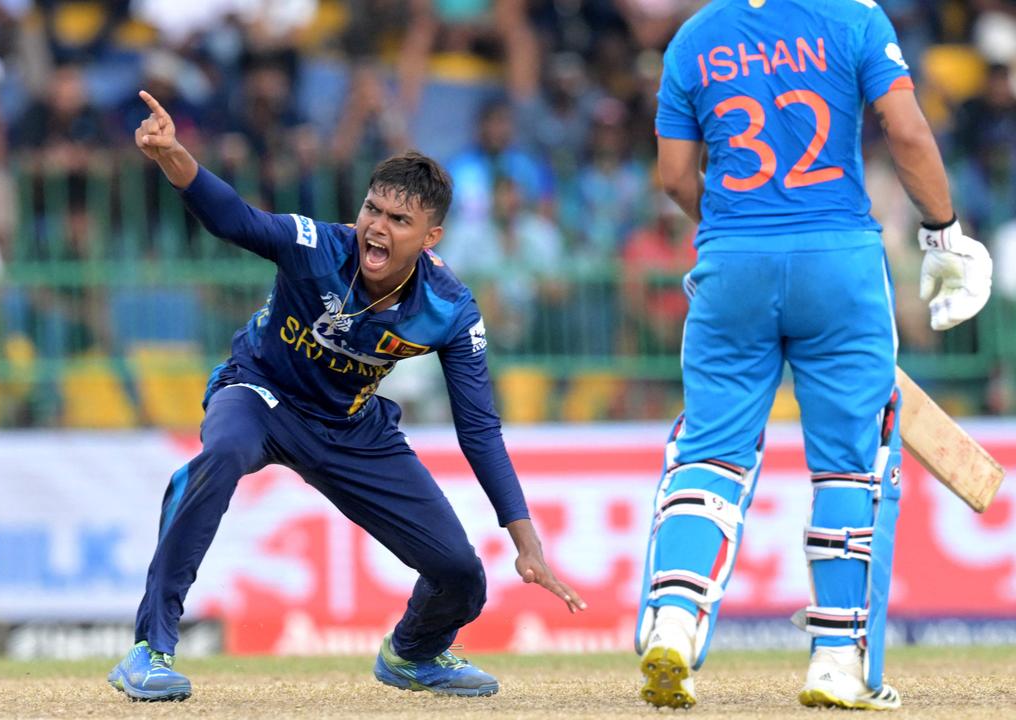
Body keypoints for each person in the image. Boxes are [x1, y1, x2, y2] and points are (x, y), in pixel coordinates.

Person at [106, 90, 585, 702]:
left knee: (461, 576)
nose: (377, 229)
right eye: (372, 209)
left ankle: (413, 653)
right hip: (261, 393)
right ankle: (151, 649)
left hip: (351, 427)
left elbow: (479, 429)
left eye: (398, 221)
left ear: (431, 236)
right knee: (221, 454)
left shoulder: (449, 310)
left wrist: (527, 543)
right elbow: (235, 219)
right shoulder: (317, 248)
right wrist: (174, 157)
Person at [637, 0, 992, 712]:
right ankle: (835, 663)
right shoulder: (856, 19)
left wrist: (742, 239)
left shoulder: (695, 36)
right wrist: (945, 235)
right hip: (841, 265)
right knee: (850, 464)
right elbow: (907, 132)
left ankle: (673, 621)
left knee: (710, 453)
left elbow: (675, 176)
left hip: (731, 263)